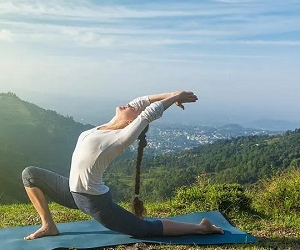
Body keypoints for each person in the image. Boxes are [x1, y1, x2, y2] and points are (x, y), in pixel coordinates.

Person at [21, 90, 224, 240]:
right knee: (30, 175)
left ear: (131, 124)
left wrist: (175, 96)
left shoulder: (120, 138)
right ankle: (48, 225)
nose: (130, 105)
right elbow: (142, 102)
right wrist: (171, 93)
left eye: (132, 110)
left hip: (94, 202)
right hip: (73, 192)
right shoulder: (105, 127)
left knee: (144, 229)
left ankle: (201, 228)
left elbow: (148, 113)